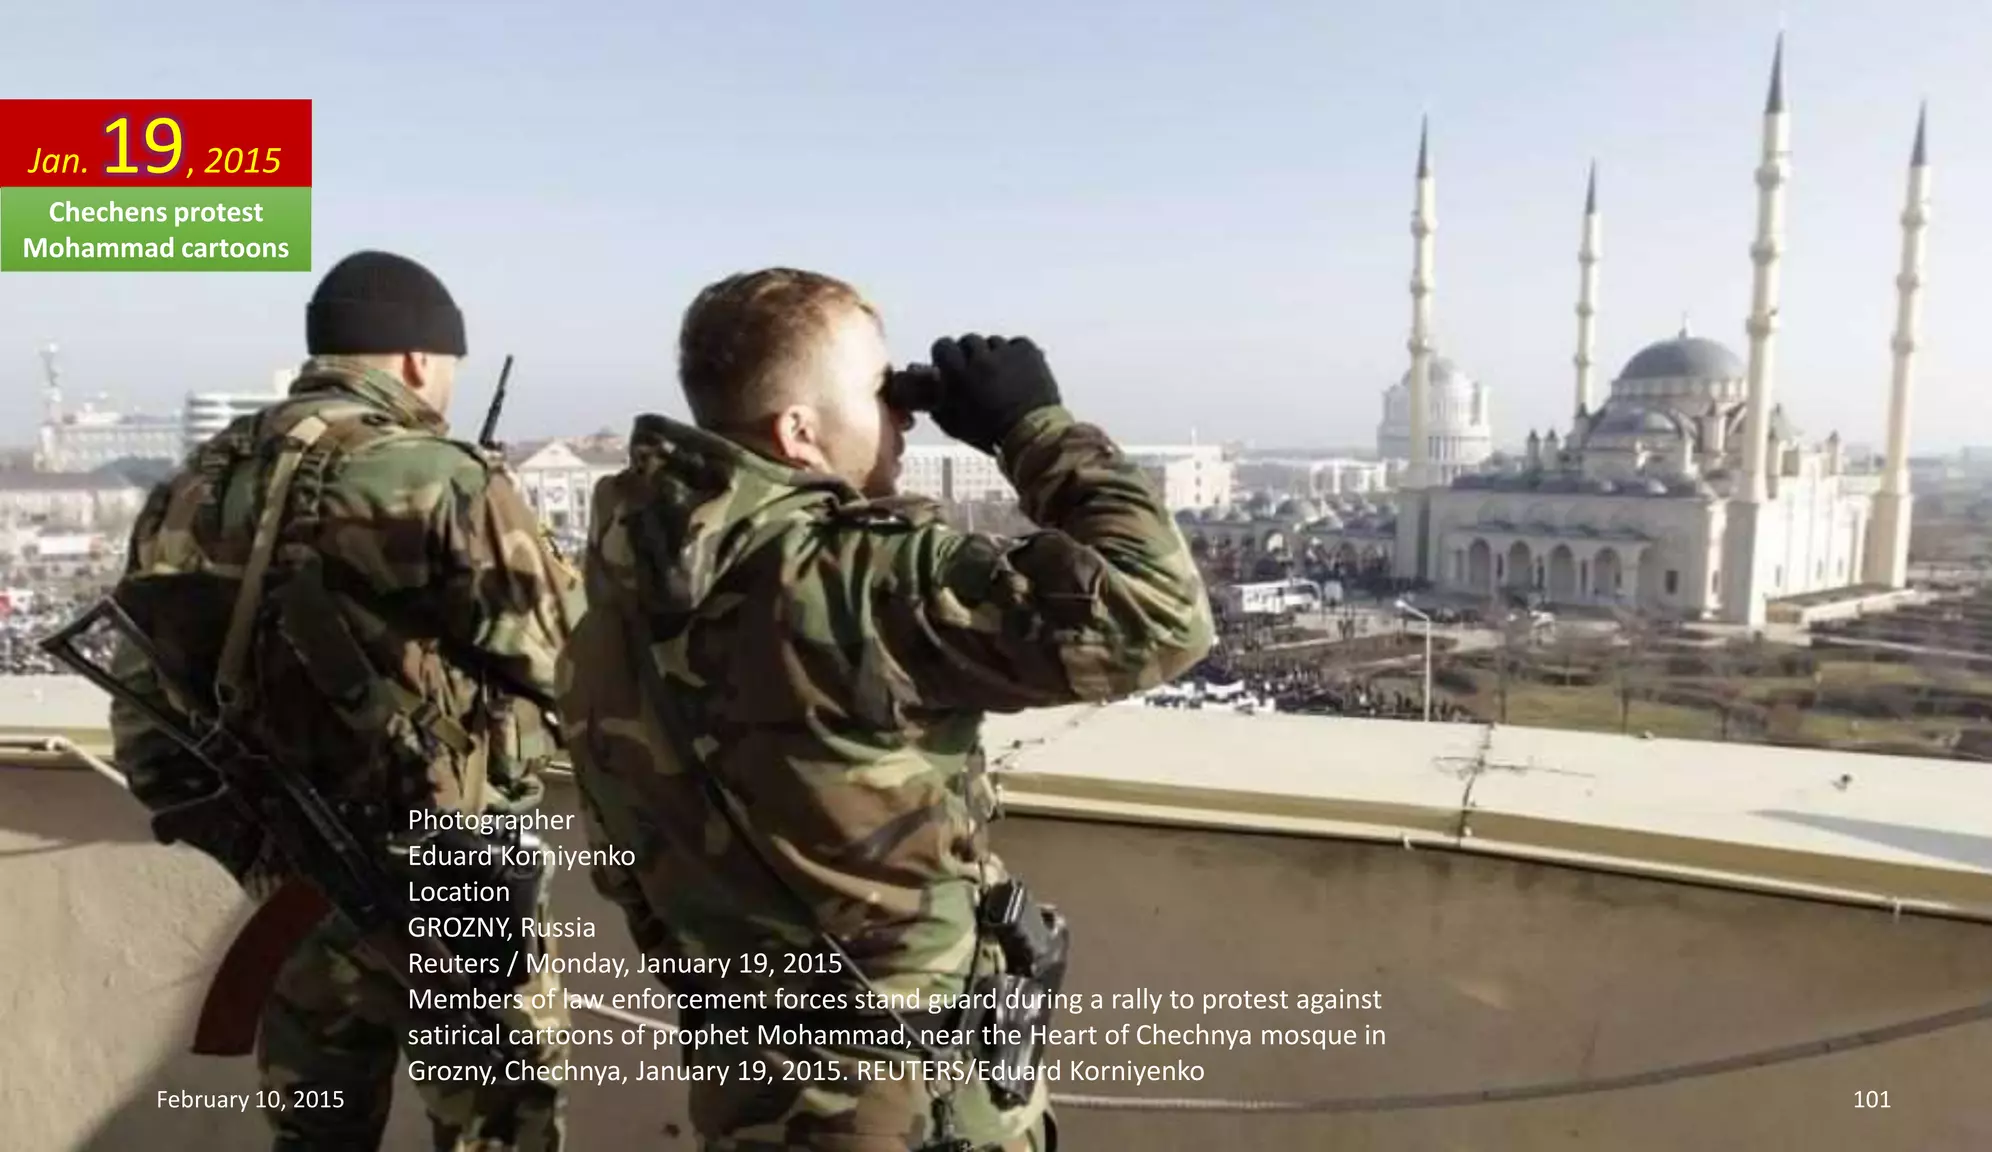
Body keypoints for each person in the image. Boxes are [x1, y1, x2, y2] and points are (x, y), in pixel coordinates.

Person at [557, 267, 1217, 1151]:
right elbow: (1161, 615)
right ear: (799, 431)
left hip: (752, 1092)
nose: (905, 416)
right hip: (910, 1114)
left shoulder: (612, 597)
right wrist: (1035, 427)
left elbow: (629, 872)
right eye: (885, 393)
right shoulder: (860, 579)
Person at [104, 250, 585, 1151]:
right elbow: (577, 664)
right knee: (497, 1135)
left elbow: (143, 709)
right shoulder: (446, 479)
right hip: (456, 877)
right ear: (416, 362)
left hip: (292, 879)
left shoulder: (192, 484)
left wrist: (250, 847)